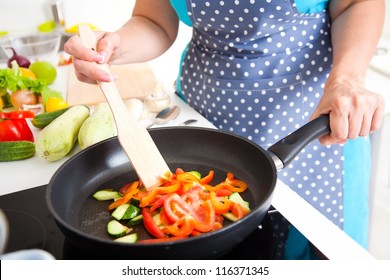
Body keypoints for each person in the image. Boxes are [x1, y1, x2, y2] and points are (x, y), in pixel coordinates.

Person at [64, 0, 385, 259]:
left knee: (317, 249)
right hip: (206, 113)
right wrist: (114, 48)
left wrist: (347, 79)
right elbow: (155, 20)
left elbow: (357, 3)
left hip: (307, 118)